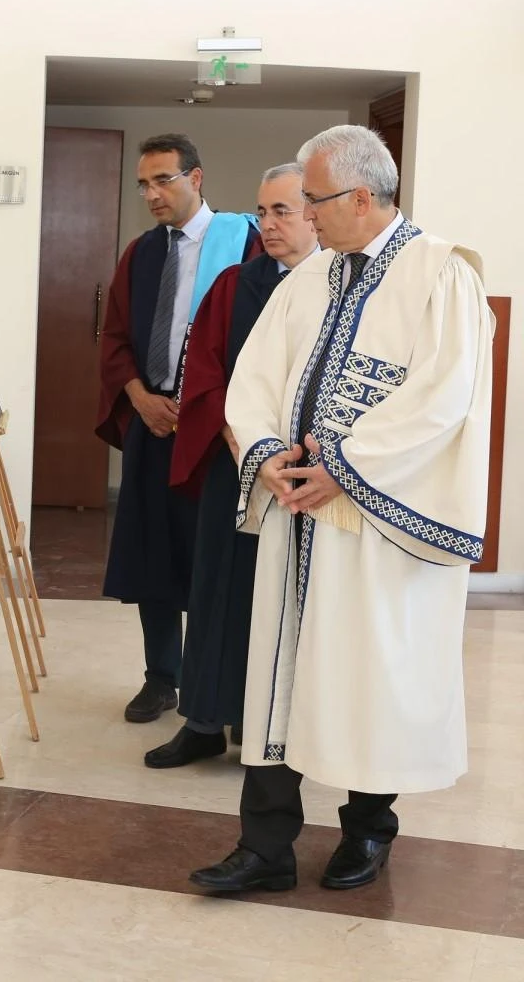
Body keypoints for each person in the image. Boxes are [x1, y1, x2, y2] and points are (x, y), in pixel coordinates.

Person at [190, 125, 493, 893]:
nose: (305, 216)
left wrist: (347, 471)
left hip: (378, 526)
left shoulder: (440, 274)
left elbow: (443, 398)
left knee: (367, 675)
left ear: (362, 195)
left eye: (315, 200)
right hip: (298, 511)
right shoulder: (312, 275)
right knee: (277, 673)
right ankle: (266, 847)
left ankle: (367, 830)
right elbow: (254, 375)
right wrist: (268, 455)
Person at [145, 163, 319, 769]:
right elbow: (206, 376)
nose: (267, 225)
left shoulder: (342, 289)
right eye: (262, 212)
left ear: (315, 213)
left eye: (283, 212)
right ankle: (204, 720)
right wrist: (243, 443)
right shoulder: (233, 285)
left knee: (294, 604)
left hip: (311, 480)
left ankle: (277, 726)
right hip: (238, 466)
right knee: (221, 591)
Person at [96, 133, 261, 723]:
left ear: (196, 178)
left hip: (215, 433)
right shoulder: (141, 255)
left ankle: (209, 686)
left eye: (163, 180)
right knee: (152, 553)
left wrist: (206, 410)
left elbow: (262, 344)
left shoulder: (246, 245)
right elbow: (114, 337)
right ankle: (160, 675)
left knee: (210, 557)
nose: (151, 194)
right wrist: (138, 397)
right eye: (144, 184)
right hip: (153, 424)